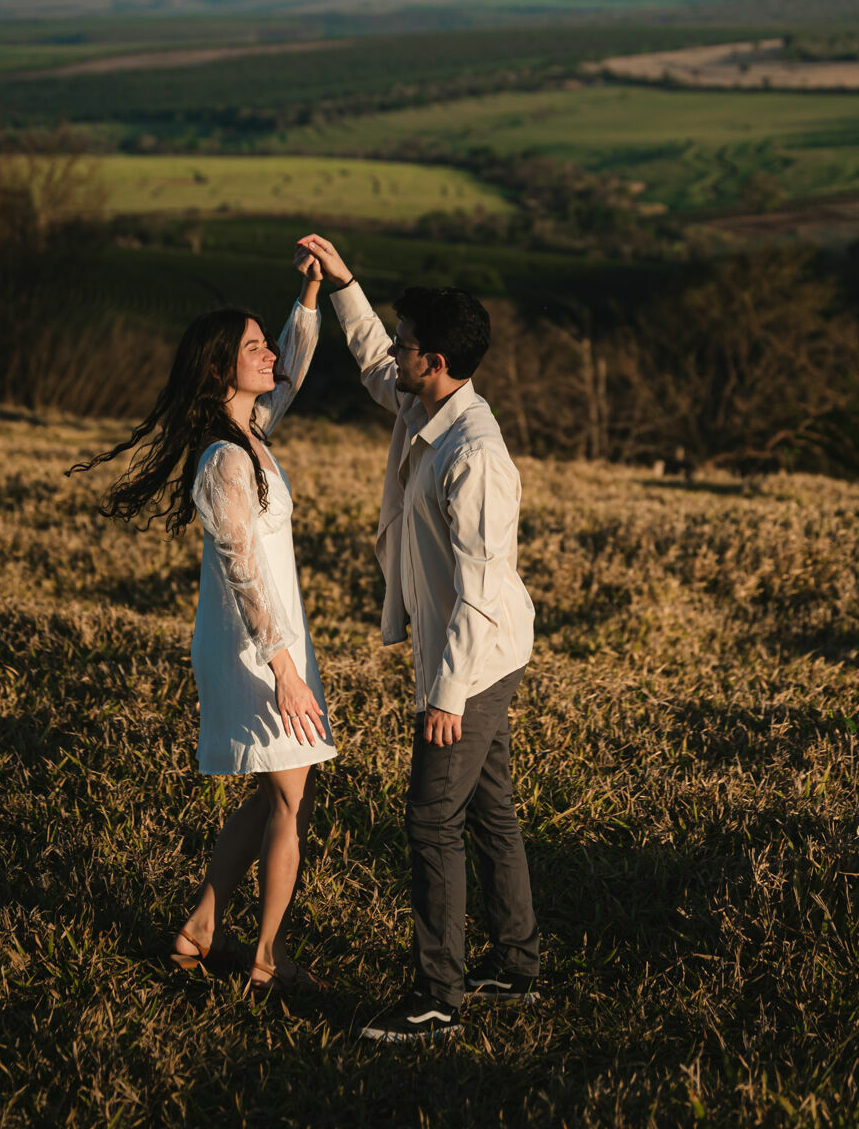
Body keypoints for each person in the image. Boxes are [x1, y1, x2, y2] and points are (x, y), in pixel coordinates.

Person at [70, 251, 335, 997]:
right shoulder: (223, 458)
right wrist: (284, 668)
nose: (268, 354)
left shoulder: (252, 432)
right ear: (222, 368)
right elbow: (245, 569)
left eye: (264, 342)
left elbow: (296, 366)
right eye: (253, 347)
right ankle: (265, 962)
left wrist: (309, 296)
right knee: (293, 794)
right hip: (256, 648)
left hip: (275, 641)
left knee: (271, 791)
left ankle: (198, 929)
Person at [296, 234, 540, 1041]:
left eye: (406, 343)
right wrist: (344, 284)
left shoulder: (474, 457)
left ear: (433, 360)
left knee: (431, 819)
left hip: (473, 661)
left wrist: (445, 697)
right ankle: (516, 967)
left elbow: (475, 592)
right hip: (477, 654)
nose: (393, 351)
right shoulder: (423, 402)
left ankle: (439, 997)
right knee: (491, 811)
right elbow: (371, 357)